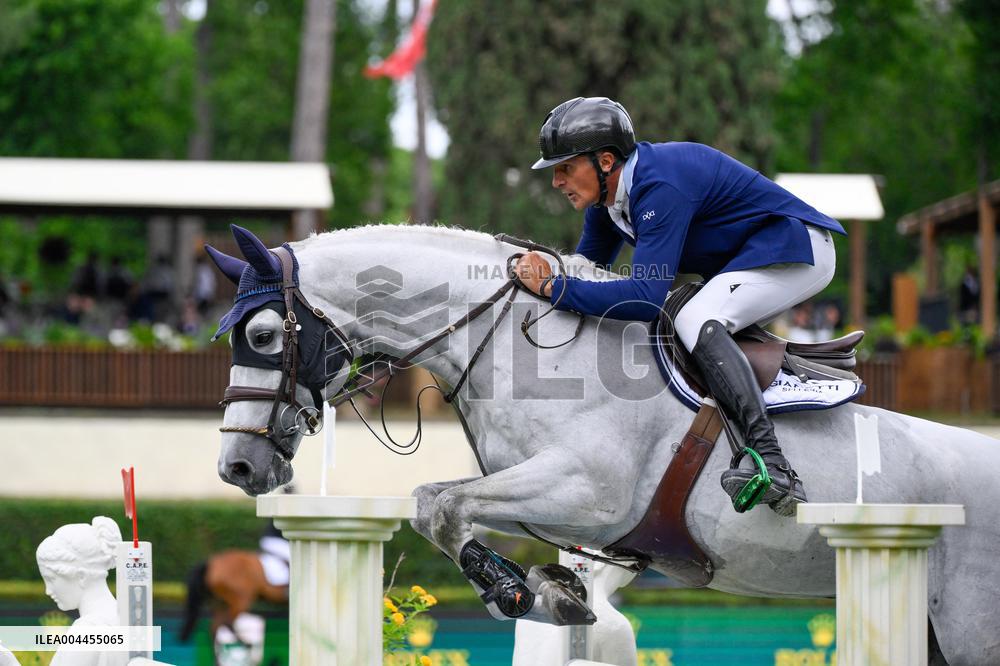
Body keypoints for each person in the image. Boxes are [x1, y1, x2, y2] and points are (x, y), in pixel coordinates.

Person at [518, 97, 845, 515]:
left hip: (798, 249)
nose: (556, 181)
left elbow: (643, 297)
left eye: (564, 167)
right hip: (753, 255)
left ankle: (773, 463)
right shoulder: (607, 202)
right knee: (688, 317)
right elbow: (585, 271)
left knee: (693, 317)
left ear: (604, 161)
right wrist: (539, 272)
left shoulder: (659, 186)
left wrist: (553, 287)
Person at [36, 517, 127, 666]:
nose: (48, 590)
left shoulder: (86, 631)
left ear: (81, 576)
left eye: (51, 579)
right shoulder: (123, 618)